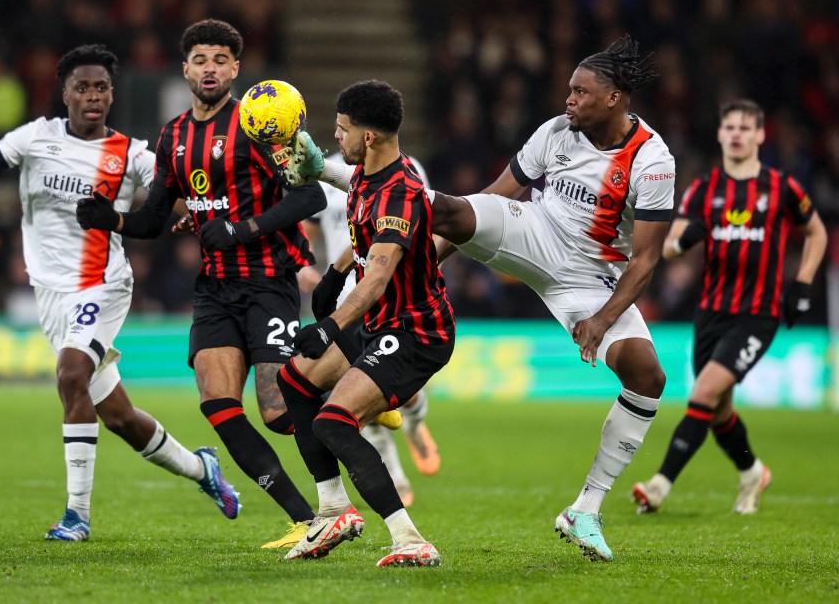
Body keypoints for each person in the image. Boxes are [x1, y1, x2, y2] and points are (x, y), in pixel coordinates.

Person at [288, 35, 674, 562]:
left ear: (614, 98)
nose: (568, 100)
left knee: (648, 375)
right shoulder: (556, 132)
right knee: (443, 206)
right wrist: (423, 267)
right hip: (533, 229)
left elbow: (647, 259)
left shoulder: (653, 161)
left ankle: (586, 507)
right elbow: (493, 196)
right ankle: (333, 173)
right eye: (568, 89)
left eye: (581, 92)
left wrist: (604, 319)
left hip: (590, 275)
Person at [0, 44, 240, 542]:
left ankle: (76, 515)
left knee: (71, 373)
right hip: (50, 293)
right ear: (65, 94)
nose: (92, 96)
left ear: (111, 94)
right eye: (82, 87)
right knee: (120, 417)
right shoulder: (37, 137)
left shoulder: (131, 152)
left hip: (103, 285)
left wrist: (191, 209)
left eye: (101, 87)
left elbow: (172, 189)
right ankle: (202, 470)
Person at [74, 19, 324, 549]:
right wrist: (110, 218)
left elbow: (311, 198)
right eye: (200, 60)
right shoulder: (172, 135)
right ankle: (308, 520)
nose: (209, 69)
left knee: (279, 413)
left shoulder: (259, 123)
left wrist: (242, 228)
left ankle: (351, 402)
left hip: (268, 281)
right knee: (219, 407)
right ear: (184, 68)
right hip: (214, 288)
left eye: (220, 60)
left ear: (236, 68)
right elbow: (154, 217)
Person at [275, 80, 455, 567]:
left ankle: (409, 539)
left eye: (342, 129)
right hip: (379, 322)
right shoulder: (365, 176)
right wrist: (334, 274)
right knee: (293, 380)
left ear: (369, 136)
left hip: (416, 331)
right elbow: (359, 241)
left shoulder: (400, 193)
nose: (337, 137)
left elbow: (376, 277)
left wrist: (330, 325)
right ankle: (333, 508)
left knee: (333, 421)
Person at [631, 99, 827, 515]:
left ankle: (660, 484)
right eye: (730, 127)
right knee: (718, 410)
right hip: (711, 314)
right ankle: (753, 471)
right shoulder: (704, 190)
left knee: (703, 392)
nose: (737, 133)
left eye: (745, 127)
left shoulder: (780, 187)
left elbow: (817, 232)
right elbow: (666, 247)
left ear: (759, 136)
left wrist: (804, 283)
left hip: (758, 314)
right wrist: (684, 240)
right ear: (720, 134)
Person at [299, 152, 441, 507]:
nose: (338, 135)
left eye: (343, 127)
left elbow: (426, 229)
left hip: (387, 295)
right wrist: (303, 264)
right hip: (345, 302)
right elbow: (312, 229)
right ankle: (394, 473)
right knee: (356, 393)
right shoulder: (327, 175)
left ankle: (415, 421)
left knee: (400, 395)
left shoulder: (408, 171)